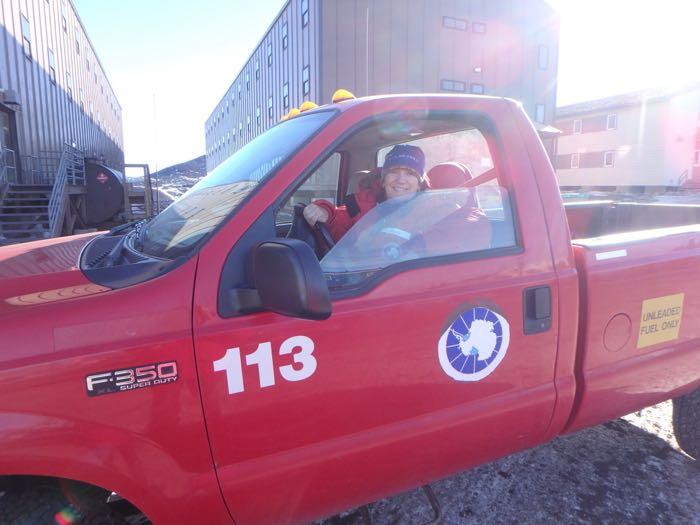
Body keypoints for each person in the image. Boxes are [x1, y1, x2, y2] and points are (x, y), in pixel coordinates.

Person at [303, 144, 427, 241]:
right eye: (394, 172)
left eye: (410, 173)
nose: (401, 180)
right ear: (383, 180)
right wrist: (324, 211)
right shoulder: (361, 206)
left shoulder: (434, 211)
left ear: (419, 184)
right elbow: (336, 220)